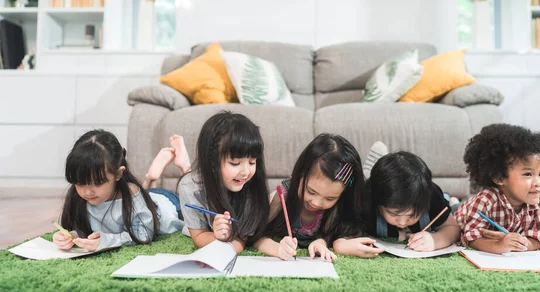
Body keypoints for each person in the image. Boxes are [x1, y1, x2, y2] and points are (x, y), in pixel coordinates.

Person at [52, 130, 188, 251]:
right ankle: (150, 179)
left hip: (167, 204)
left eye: (98, 183)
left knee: (192, 199)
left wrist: (107, 241)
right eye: (80, 183)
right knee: (144, 198)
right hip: (144, 201)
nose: (87, 192)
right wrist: (69, 236)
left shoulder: (131, 193)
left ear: (118, 174)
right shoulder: (81, 197)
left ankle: (185, 167)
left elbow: (144, 234)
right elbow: (82, 230)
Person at [256, 133, 378, 261]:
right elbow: (256, 236)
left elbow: (340, 233)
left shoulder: (340, 204)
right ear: (299, 175)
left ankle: (368, 174)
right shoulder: (283, 196)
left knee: (368, 194)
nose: (316, 203)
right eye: (311, 191)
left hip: (358, 192)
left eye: (330, 198)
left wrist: (321, 242)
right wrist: (276, 248)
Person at [454, 123, 540, 254]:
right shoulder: (485, 200)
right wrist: (499, 245)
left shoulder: (536, 198)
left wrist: (523, 244)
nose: (538, 183)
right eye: (528, 174)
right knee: (453, 209)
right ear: (499, 177)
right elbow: (471, 238)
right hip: (462, 214)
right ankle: (454, 202)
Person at [178, 111, 270, 253]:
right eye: (235, 163)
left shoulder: (252, 186)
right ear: (212, 162)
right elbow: (198, 235)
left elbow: (242, 240)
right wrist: (217, 237)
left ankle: (185, 166)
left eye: (252, 162)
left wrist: (228, 240)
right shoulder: (190, 187)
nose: (245, 172)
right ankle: (184, 165)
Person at [365, 149, 460, 251]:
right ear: (379, 205)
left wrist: (435, 240)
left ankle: (451, 200)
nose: (402, 222)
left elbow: (453, 228)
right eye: (393, 214)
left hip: (441, 199)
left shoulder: (432, 196)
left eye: (411, 214)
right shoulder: (367, 201)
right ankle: (366, 172)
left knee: (455, 207)